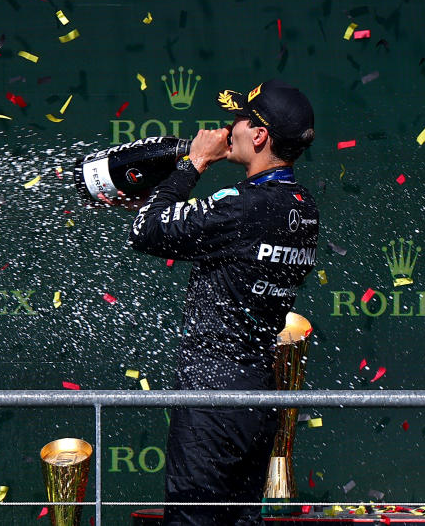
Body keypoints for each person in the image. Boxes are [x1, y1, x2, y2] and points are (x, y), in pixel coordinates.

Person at [128, 79, 319, 526]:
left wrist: (194, 161)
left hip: (211, 397)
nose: (227, 127)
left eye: (239, 117)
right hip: (256, 396)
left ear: (259, 136)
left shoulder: (241, 205)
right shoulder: (303, 207)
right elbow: (209, 232)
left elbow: (146, 231)